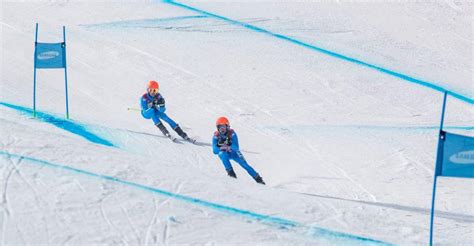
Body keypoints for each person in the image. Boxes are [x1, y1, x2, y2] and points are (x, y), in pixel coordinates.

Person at [212, 116, 265, 184]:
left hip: (234, 153)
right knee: (222, 154)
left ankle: (259, 179)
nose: (222, 130)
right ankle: (231, 174)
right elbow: (214, 150)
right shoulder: (216, 136)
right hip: (225, 154)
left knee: (244, 164)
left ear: (227, 127)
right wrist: (222, 148)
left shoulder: (232, 134)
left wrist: (229, 146)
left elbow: (236, 147)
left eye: (223, 127)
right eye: (220, 127)